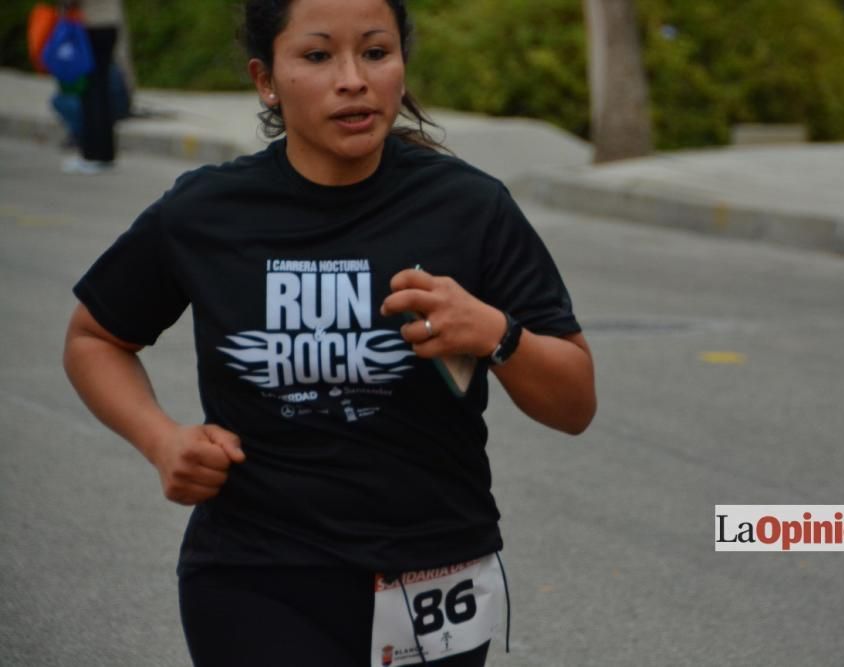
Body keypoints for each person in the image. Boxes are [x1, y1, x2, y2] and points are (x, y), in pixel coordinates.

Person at [62, 0, 596, 665]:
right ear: (266, 80)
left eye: (376, 52)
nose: (353, 79)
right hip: (257, 573)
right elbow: (94, 339)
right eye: (317, 56)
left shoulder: (470, 207)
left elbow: (574, 403)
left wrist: (497, 333)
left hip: (435, 576)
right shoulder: (207, 212)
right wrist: (161, 439)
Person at [61, 0, 123, 174]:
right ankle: (105, 154)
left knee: (91, 94)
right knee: (102, 92)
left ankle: (92, 155)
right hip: (109, 24)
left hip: (91, 26)